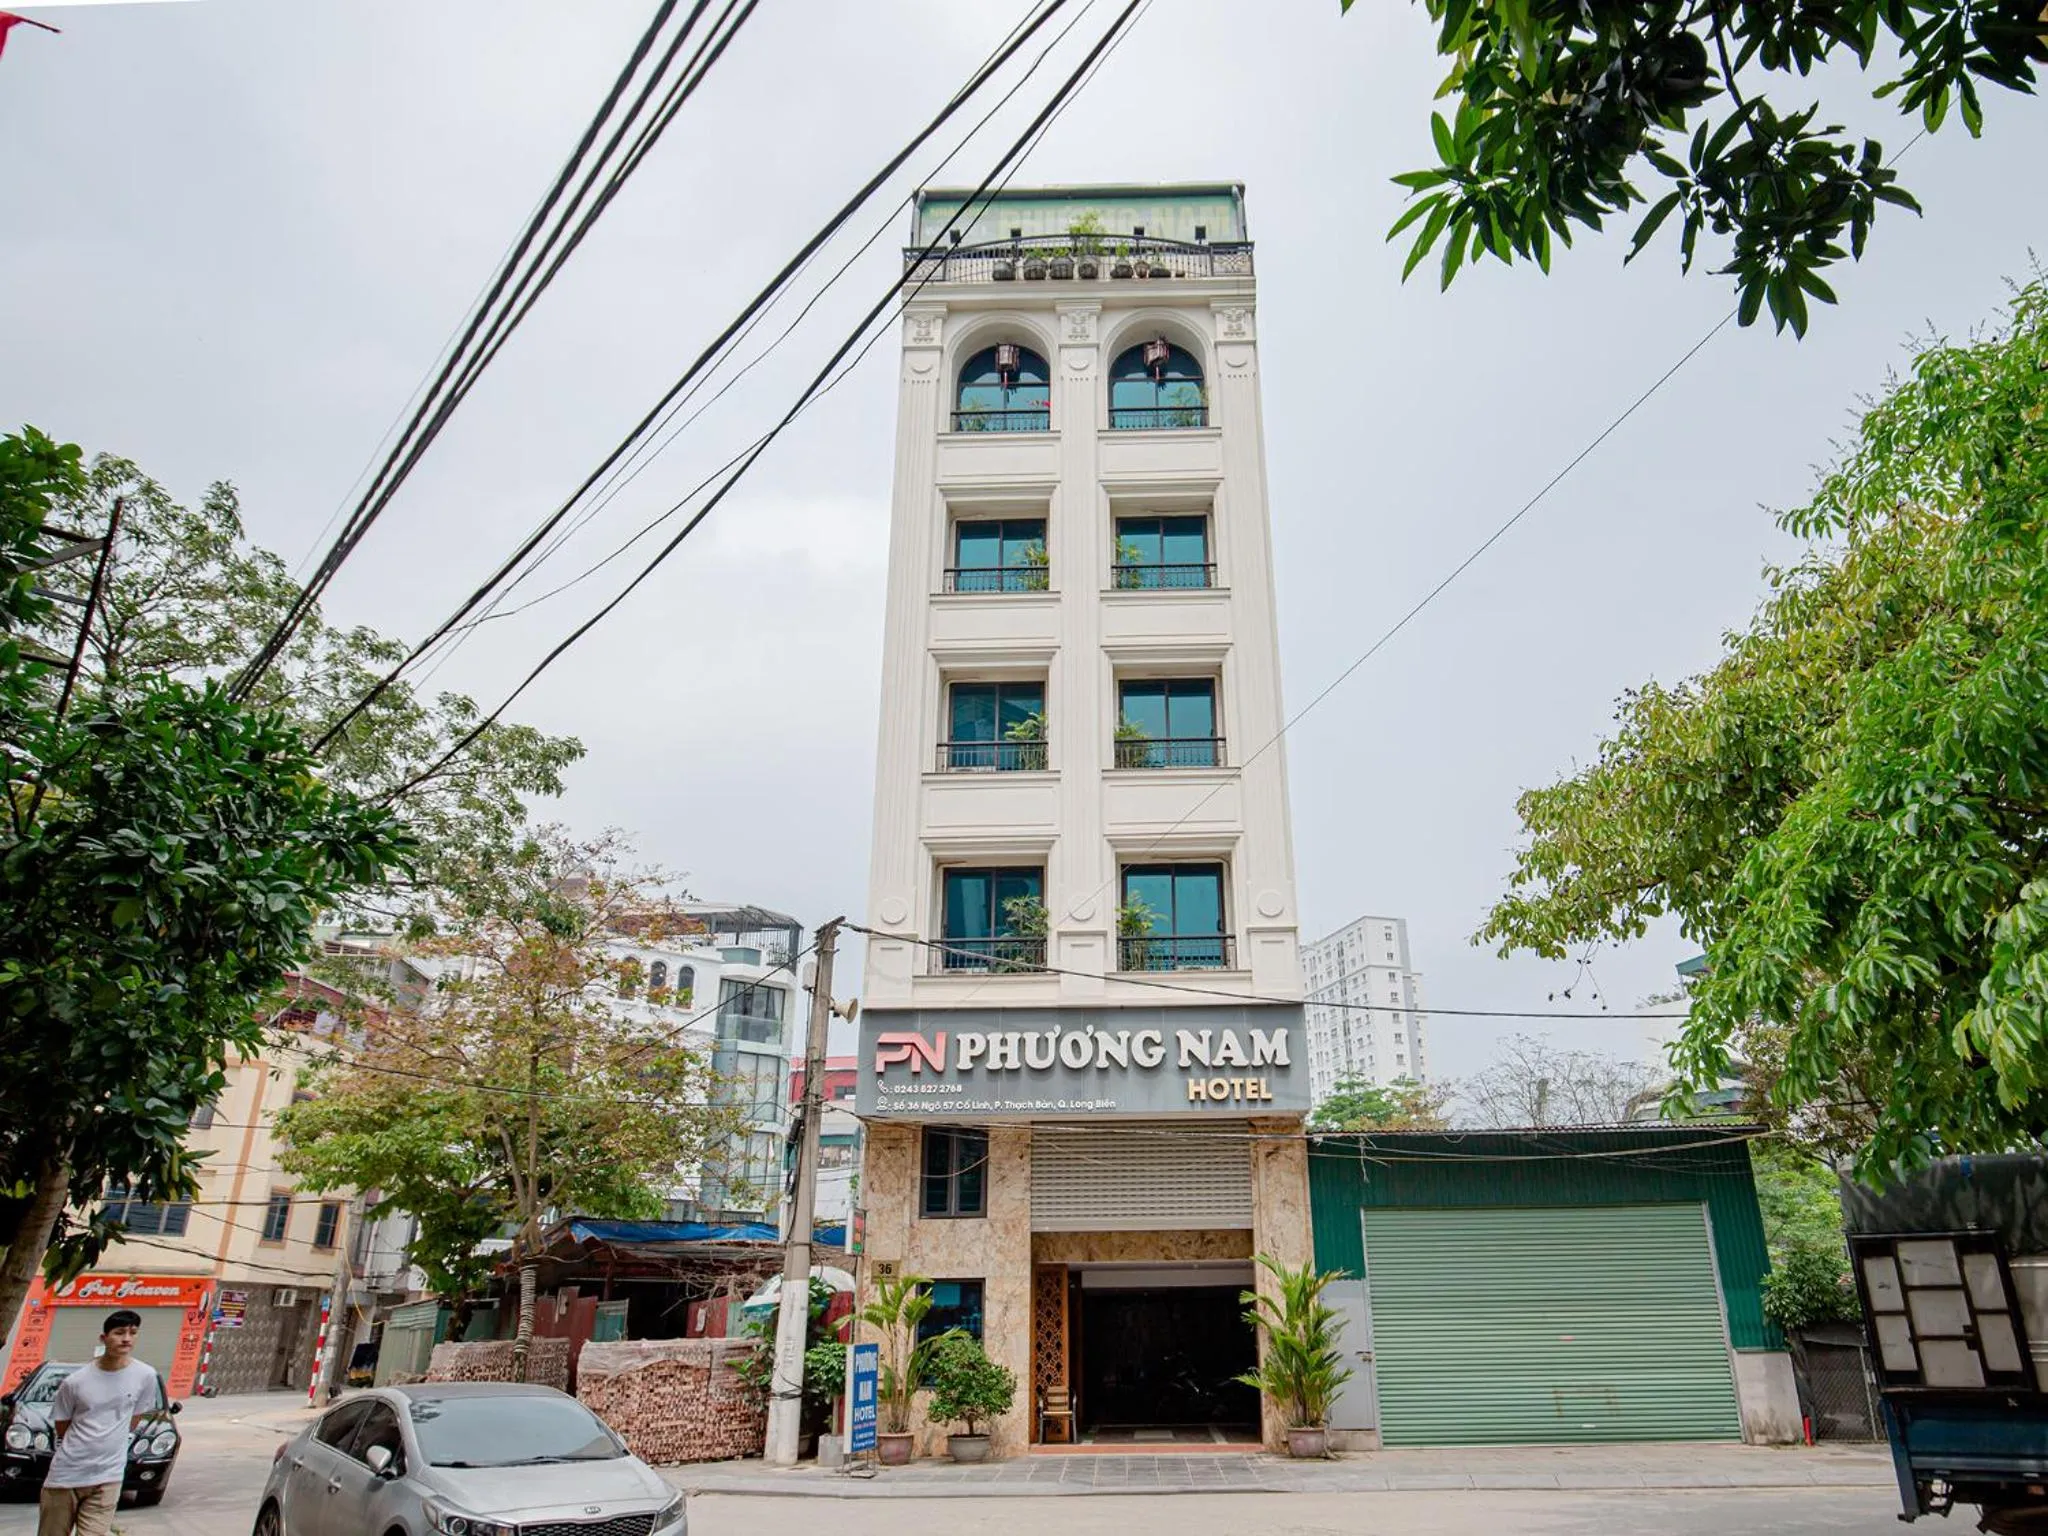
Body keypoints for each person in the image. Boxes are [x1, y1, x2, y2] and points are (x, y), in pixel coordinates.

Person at [38, 1309, 159, 1536]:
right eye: (119, 1332)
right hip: (66, 1476)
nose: (126, 1338)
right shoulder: (75, 1382)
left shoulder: (146, 1375)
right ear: (103, 1338)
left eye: (133, 1333)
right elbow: (62, 1426)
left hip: (108, 1476)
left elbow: (134, 1418)